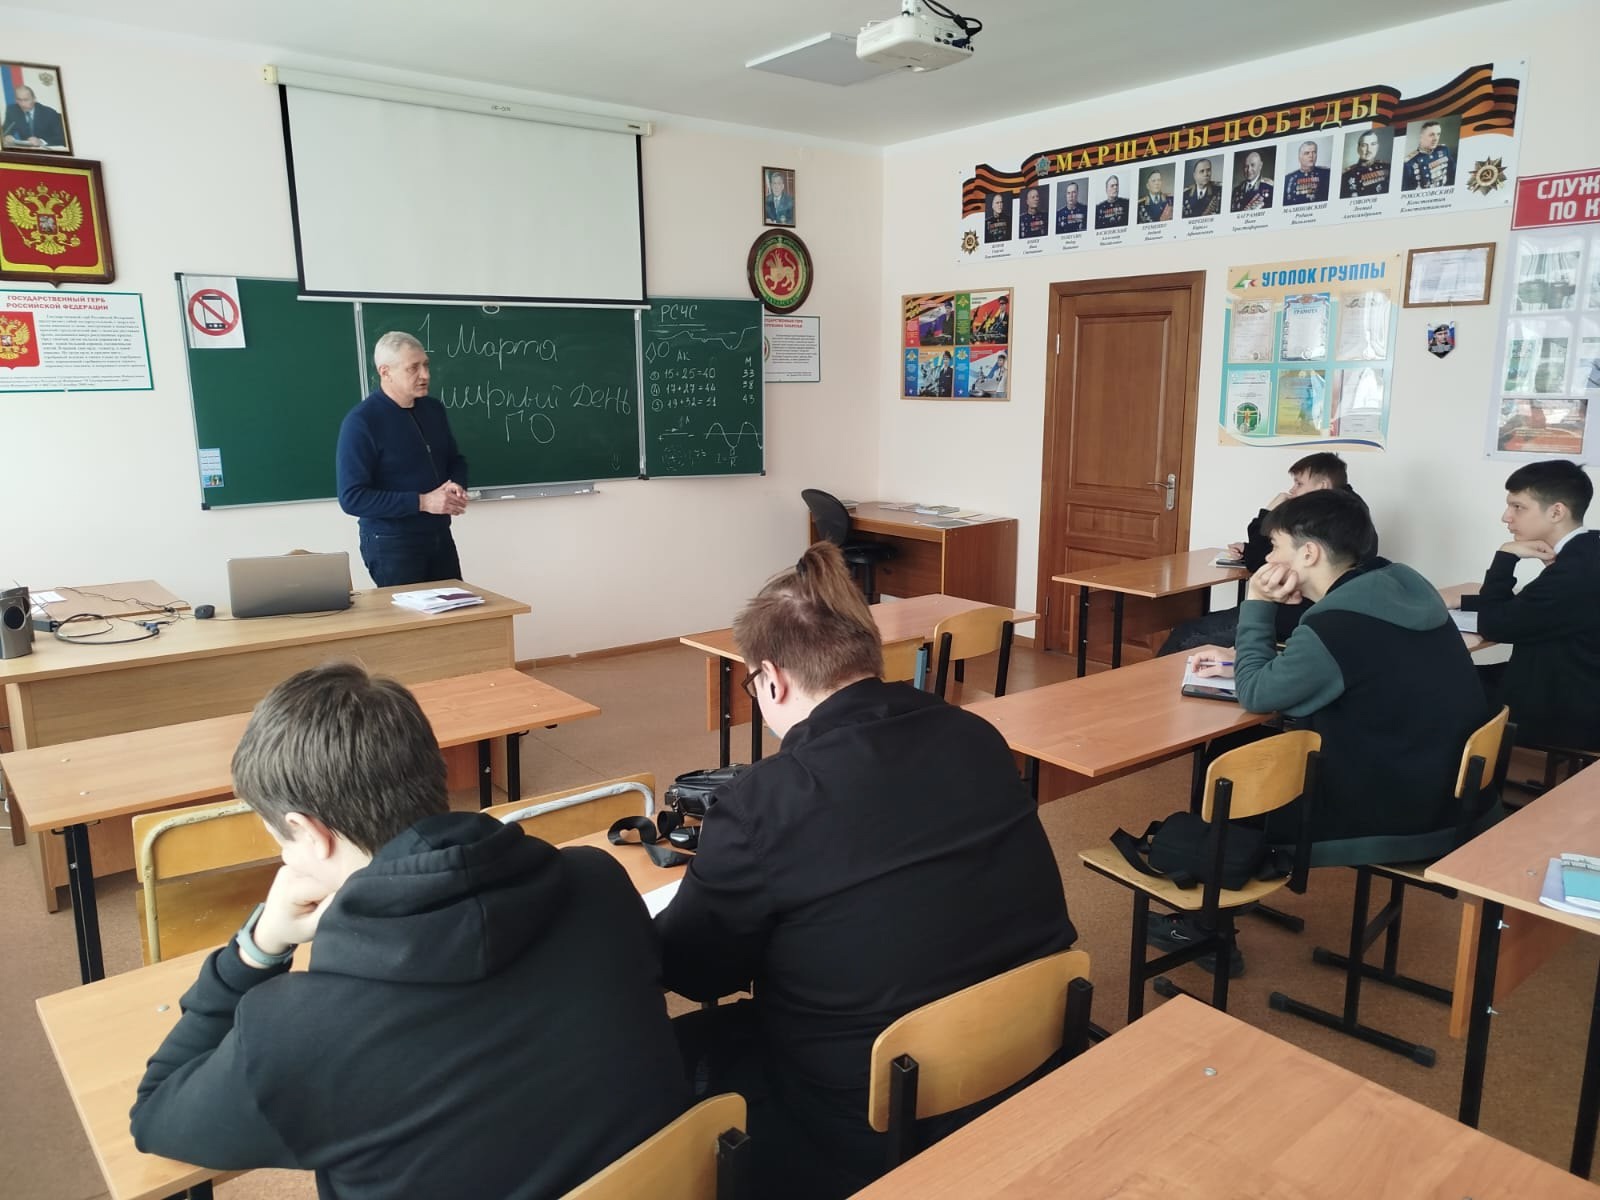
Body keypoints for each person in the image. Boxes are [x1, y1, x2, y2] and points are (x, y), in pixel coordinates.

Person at [128, 662, 689, 1200]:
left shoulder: (294, 1032)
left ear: (309, 832)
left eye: (281, 840)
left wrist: (256, 950)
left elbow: (155, 1113)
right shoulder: (599, 882)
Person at [656, 543, 1076, 1200]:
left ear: (772, 680)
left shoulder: (765, 801)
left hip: (872, 1120)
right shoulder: (976, 736)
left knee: (664, 1058)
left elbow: (695, 971)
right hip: (1032, 1057)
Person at [1189, 489, 1489, 859]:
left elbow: (1255, 694)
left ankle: (1213, 873)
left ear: (1308, 553)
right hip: (1452, 794)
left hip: (1397, 813)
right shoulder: (1402, 581)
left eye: (1275, 546)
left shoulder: (1333, 625)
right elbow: (1353, 660)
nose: (1268, 558)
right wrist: (1241, 656)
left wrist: (1258, 603)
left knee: (1232, 753)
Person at [1160, 453, 1371, 654]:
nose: (1292, 490)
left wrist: (1268, 512)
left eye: (1299, 483)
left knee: (1187, 634)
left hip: (1292, 615)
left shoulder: (1317, 518)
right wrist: (1250, 547)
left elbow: (1259, 563)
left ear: (1323, 486)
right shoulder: (1352, 512)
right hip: (1304, 612)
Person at [1472, 460, 1600, 749]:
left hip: (1563, 706)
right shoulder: (1589, 550)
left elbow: (1493, 625)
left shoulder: (1574, 572)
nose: (1506, 517)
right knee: (1456, 674)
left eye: (1518, 507)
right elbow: (1537, 607)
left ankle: (1462, 774)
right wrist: (1468, 600)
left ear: (1556, 512)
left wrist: (1506, 556)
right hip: (1571, 680)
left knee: (1435, 682)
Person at [336, 331, 469, 588]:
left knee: (457, 610)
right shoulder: (362, 422)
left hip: (439, 535)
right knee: (407, 614)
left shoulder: (433, 410)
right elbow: (352, 497)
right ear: (385, 372)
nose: (425, 375)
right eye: (413, 368)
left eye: (426, 365)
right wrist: (423, 502)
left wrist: (456, 484)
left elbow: (455, 460)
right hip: (392, 543)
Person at [1403, 121, 1454, 190]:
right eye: (1431, 135)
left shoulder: (1444, 150)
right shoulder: (1409, 162)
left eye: (1438, 134)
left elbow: (1453, 174)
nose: (1436, 139)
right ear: (1421, 137)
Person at [1340, 130, 1391, 197]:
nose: (1369, 150)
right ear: (1358, 148)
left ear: (1377, 147)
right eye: (1364, 145)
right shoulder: (1346, 175)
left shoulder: (1388, 168)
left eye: (1373, 144)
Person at [1282, 141, 1330, 205]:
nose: (1311, 156)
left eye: (1314, 152)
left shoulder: (1326, 174)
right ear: (1300, 157)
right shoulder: (1288, 179)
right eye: (1307, 153)